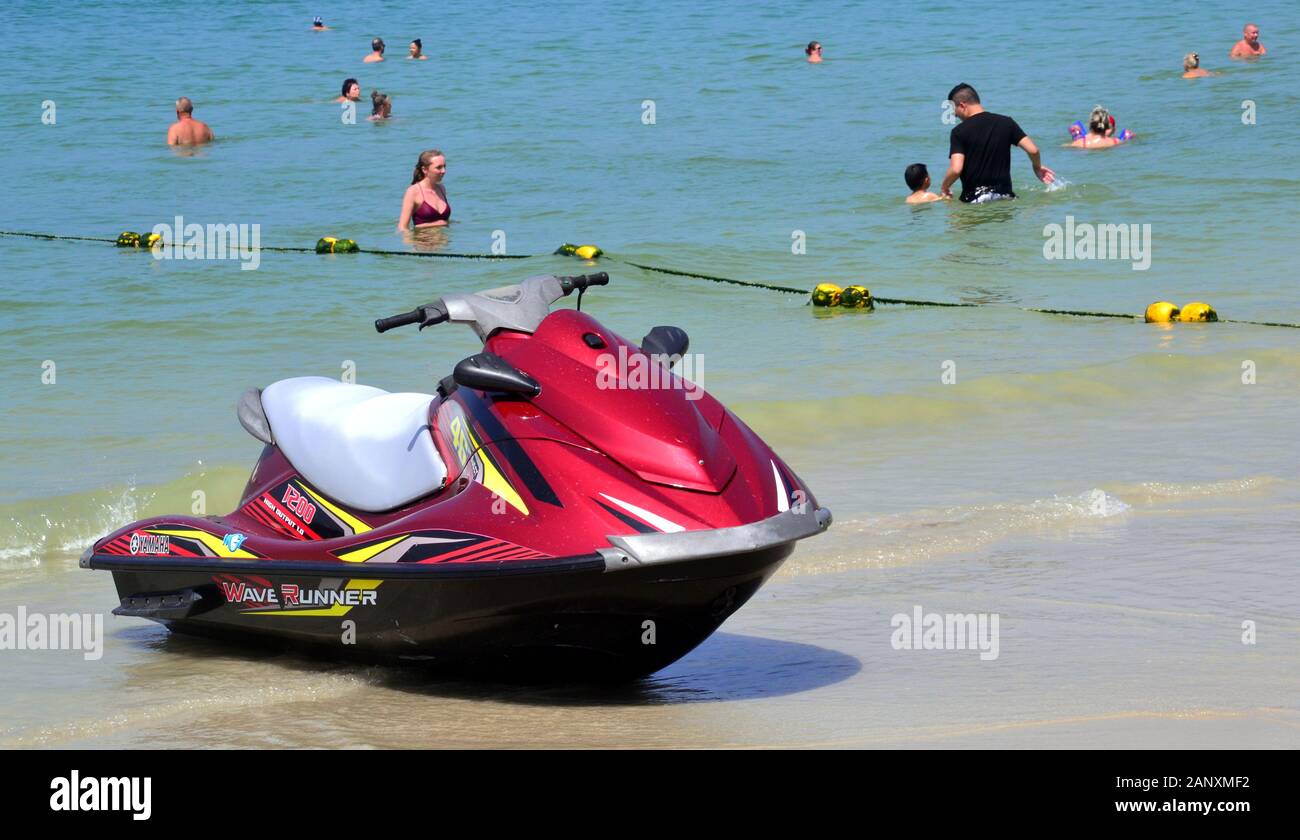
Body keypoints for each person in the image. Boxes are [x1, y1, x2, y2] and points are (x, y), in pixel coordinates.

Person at [940, 83, 1053, 202]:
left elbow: (956, 169)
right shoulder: (1007, 123)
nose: (957, 117)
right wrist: (1037, 167)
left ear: (962, 105)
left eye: (956, 114)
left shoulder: (958, 132)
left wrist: (944, 187)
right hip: (1005, 197)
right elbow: (1033, 150)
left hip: (975, 200)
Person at [398, 149, 451, 230]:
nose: (444, 171)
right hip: (423, 241)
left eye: (444, 166)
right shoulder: (413, 191)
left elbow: (444, 221)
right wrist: (438, 224)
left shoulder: (441, 188)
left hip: (444, 241)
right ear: (425, 170)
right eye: (439, 167)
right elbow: (402, 228)